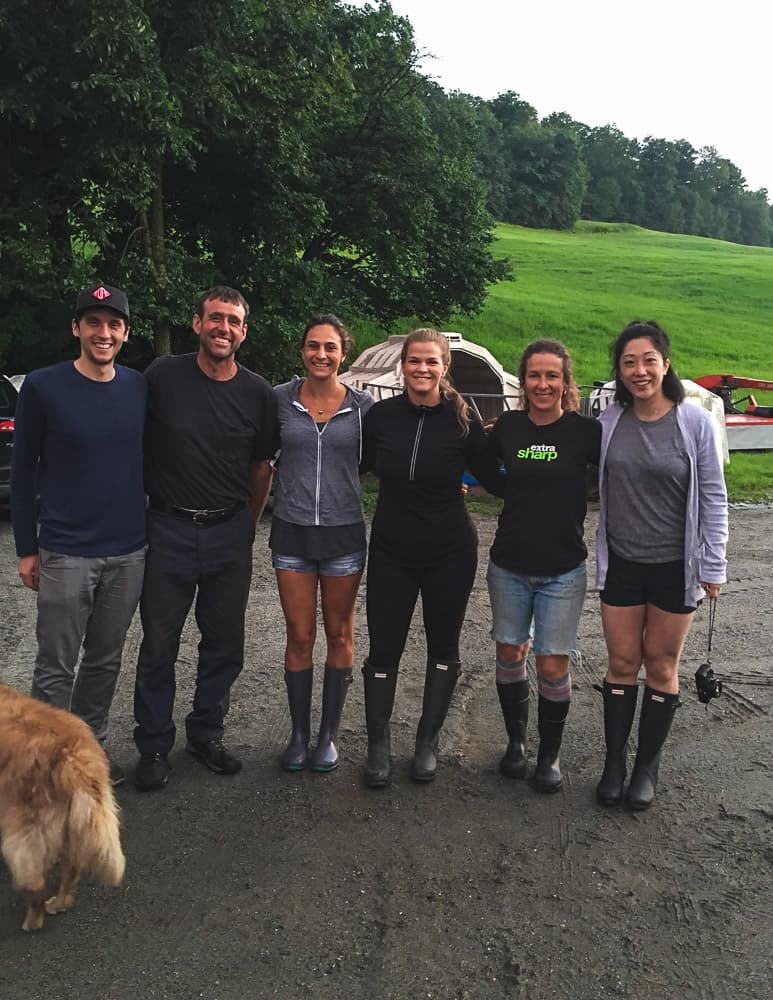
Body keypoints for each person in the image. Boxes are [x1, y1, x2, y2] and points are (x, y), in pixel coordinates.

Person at [133, 285, 278, 791]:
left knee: (224, 643)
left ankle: (206, 732)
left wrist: (246, 524)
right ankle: (152, 744)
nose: (224, 328)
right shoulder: (162, 377)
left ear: (243, 331)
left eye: (234, 321)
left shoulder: (257, 392)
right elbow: (133, 444)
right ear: (196, 323)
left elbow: (262, 467)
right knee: (158, 644)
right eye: (215, 318)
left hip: (227, 533)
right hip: (168, 527)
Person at [10, 282, 147, 786]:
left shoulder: (137, 386)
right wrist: (27, 548)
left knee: (105, 660)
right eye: (93, 322)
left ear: (125, 333)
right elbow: (22, 473)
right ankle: (46, 767)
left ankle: (88, 758)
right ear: (77, 328)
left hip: (129, 550)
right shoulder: (44, 388)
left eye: (113, 324)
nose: (103, 332)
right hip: (66, 550)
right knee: (55, 665)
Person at [359, 328, 504, 787]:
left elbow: (497, 480)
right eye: (414, 361)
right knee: (384, 647)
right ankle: (379, 745)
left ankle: (426, 743)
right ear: (402, 365)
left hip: (449, 551)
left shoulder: (463, 420)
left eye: (432, 362)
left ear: (445, 368)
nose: (422, 369)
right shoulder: (380, 416)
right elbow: (351, 465)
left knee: (444, 646)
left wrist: (541, 465)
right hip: (391, 551)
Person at [595, 320, 728, 810]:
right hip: (622, 564)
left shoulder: (694, 423)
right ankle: (614, 764)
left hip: (676, 567)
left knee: (661, 665)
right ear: (620, 371)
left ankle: (646, 767)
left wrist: (714, 563)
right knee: (622, 663)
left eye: (648, 360)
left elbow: (713, 497)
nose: (639, 370)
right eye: (629, 362)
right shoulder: (610, 422)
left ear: (665, 364)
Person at [486, 339, 601, 793]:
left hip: (563, 569)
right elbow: (479, 464)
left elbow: (624, 463)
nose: (543, 384)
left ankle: (548, 756)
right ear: (523, 381)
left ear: (566, 382)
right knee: (510, 652)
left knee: (553, 666)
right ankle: (516, 745)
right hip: (509, 564)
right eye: (534, 375)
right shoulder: (508, 429)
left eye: (552, 375)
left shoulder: (585, 432)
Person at [271, 315, 373, 772]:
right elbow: (254, 456)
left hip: (343, 533)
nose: (321, 355)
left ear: (343, 354)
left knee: (339, 633)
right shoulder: (278, 400)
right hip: (291, 530)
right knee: (299, 634)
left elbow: (396, 451)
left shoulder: (364, 407)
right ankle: (297, 734)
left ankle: (328, 736)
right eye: (313, 346)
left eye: (330, 348)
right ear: (302, 351)